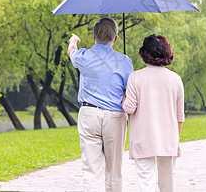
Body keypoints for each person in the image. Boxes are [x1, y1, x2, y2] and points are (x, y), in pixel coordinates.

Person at [68, 17, 133, 192]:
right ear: (116, 38)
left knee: (91, 168)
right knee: (115, 169)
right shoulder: (125, 61)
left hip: (89, 114)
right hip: (115, 116)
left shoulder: (84, 55)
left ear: (93, 37)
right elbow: (130, 91)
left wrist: (73, 41)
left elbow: (71, 52)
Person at [123, 34, 185, 192]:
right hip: (168, 139)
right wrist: (175, 139)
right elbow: (180, 116)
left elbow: (129, 108)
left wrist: (124, 95)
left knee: (146, 183)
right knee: (167, 183)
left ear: (144, 53)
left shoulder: (135, 77)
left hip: (143, 139)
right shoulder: (176, 79)